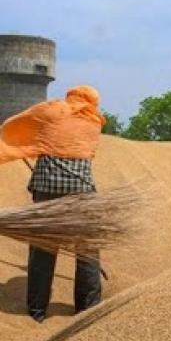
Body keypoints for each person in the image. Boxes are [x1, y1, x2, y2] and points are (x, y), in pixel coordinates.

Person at [0, 86, 105, 323]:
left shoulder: (52, 110)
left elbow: (21, 120)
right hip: (82, 193)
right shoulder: (95, 121)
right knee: (87, 251)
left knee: (43, 250)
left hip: (47, 189)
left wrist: (22, 143)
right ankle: (88, 309)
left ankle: (37, 312)